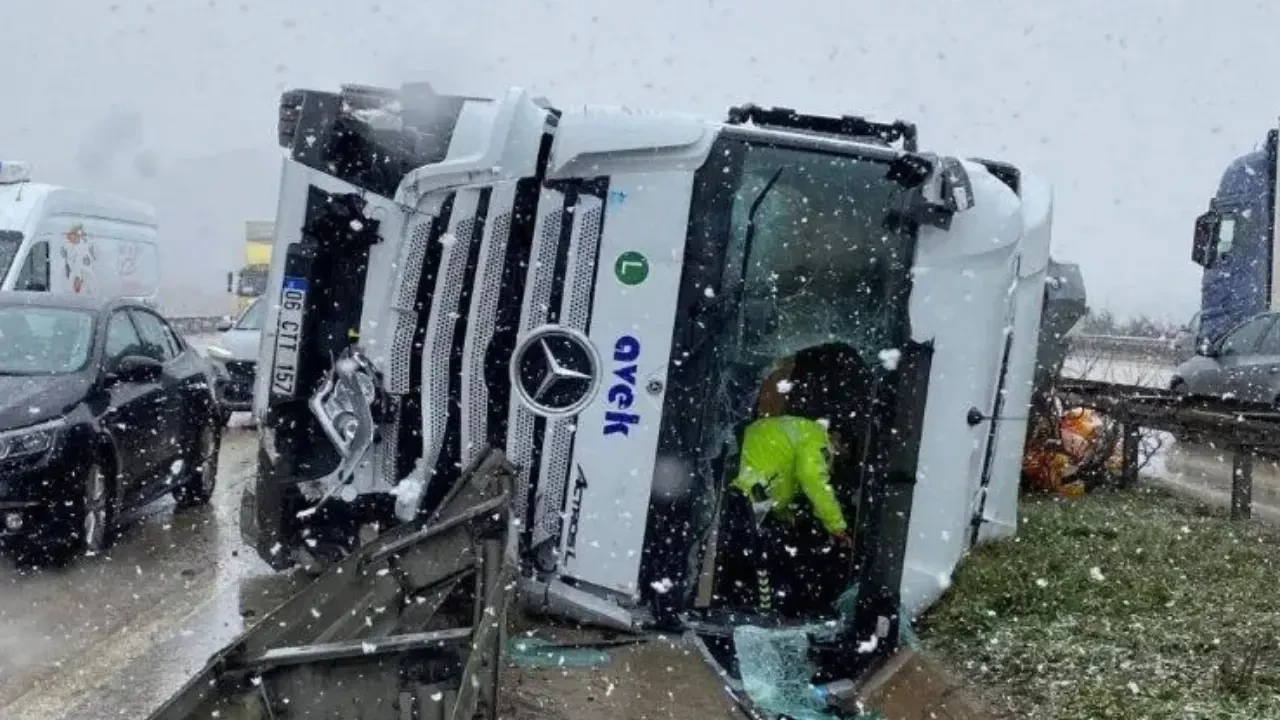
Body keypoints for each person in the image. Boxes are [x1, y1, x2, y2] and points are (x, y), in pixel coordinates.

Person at [729, 414, 852, 617]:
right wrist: (837, 527)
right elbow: (813, 481)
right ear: (835, 438)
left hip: (749, 491)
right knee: (761, 563)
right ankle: (761, 615)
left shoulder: (803, 430)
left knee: (745, 559)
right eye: (840, 453)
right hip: (751, 494)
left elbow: (780, 468)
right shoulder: (817, 440)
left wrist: (782, 511)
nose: (834, 460)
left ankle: (741, 606)